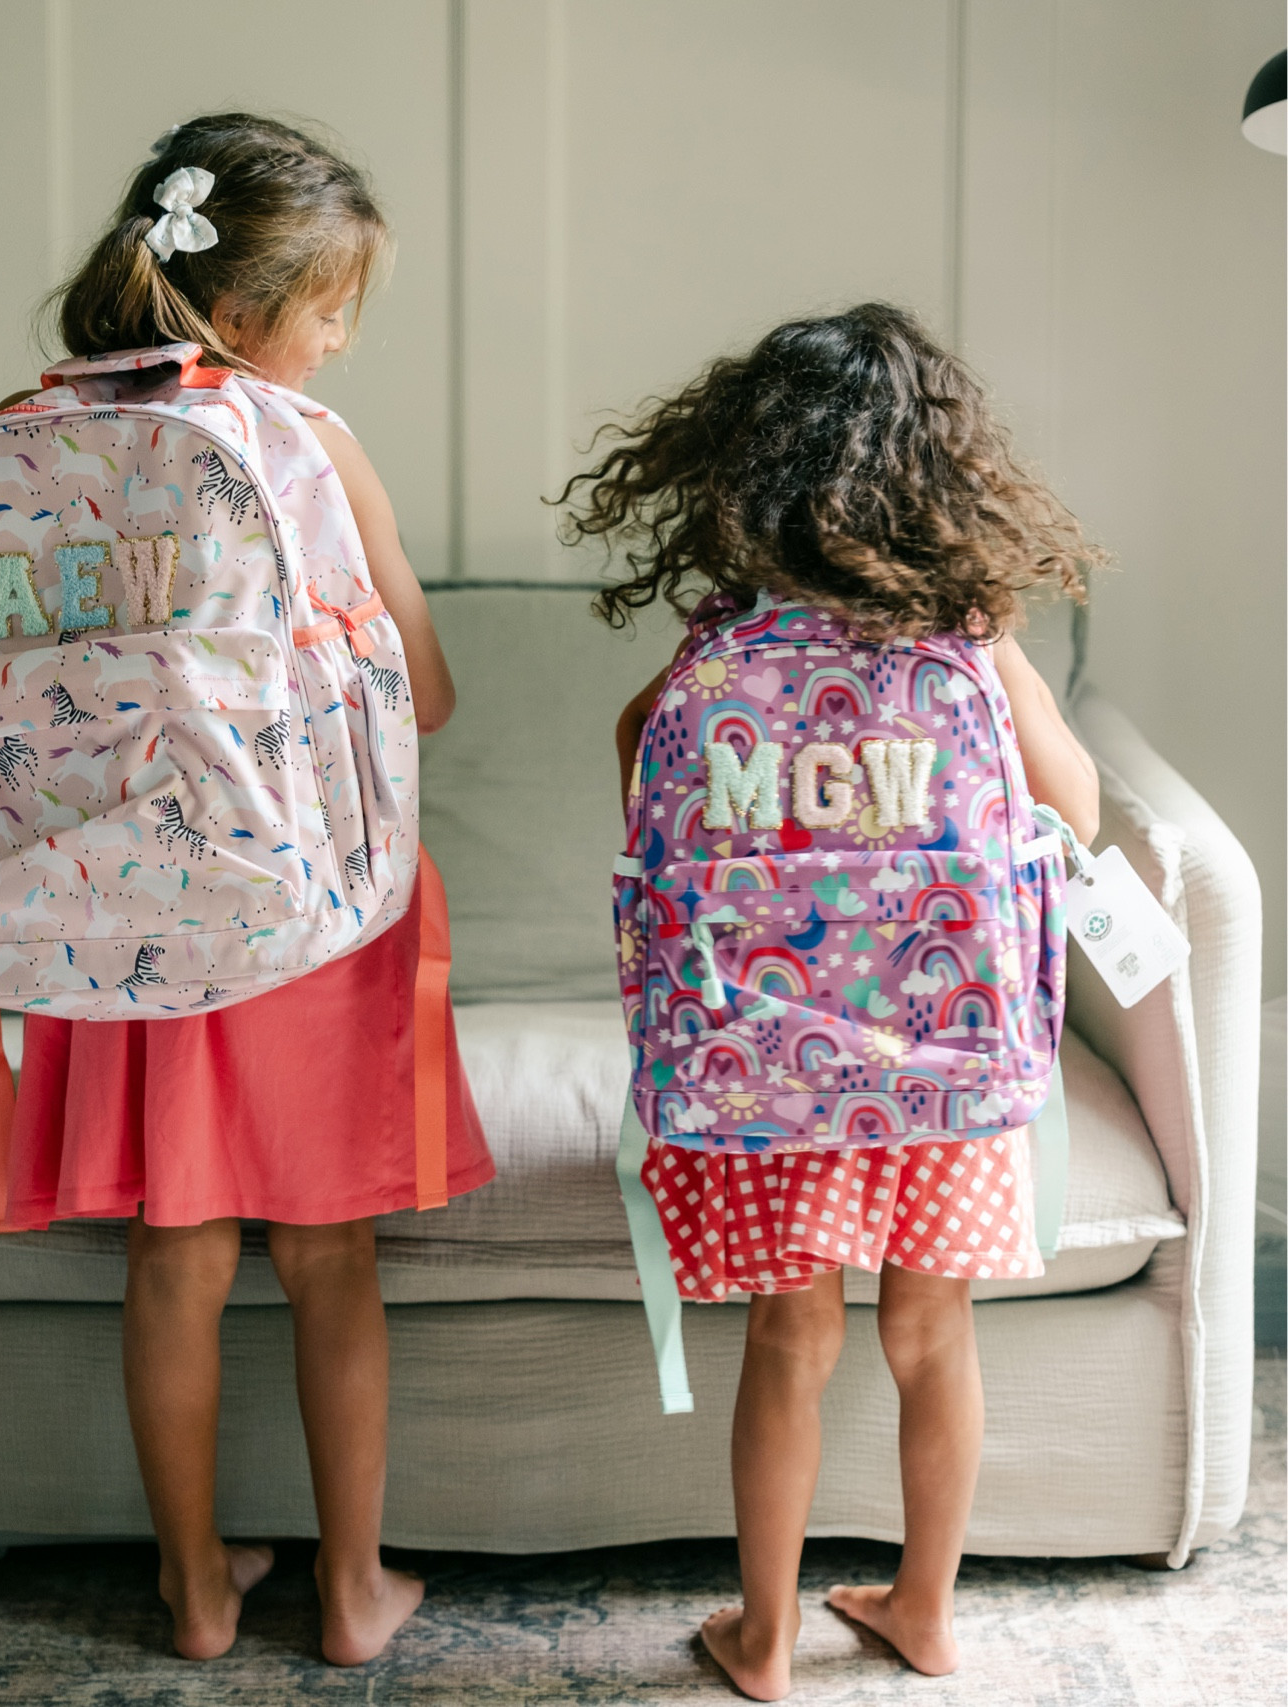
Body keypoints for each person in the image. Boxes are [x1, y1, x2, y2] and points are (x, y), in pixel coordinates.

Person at [0, 114, 493, 1666]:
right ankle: (352, 1591)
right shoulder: (301, 441)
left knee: (174, 1254)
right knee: (329, 1253)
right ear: (257, 299)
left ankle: (197, 1589)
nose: (339, 338)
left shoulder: (33, 424)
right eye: (333, 305)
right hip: (309, 901)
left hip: (115, 901)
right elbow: (418, 691)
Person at [561, 304, 1101, 1702]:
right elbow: (1076, 808)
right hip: (944, 1058)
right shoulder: (966, 639)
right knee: (933, 1335)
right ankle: (922, 1610)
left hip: (763, 1068)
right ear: (934, 473)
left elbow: (638, 760)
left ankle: (760, 1638)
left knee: (788, 1337)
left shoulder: (725, 640)